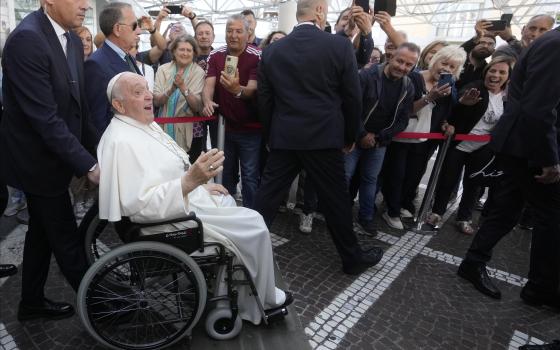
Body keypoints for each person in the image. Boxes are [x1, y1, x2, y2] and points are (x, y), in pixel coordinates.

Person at [98, 72, 292, 325]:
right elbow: (141, 206)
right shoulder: (121, 141)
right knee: (254, 223)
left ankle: (225, 289)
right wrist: (191, 182)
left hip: (181, 203)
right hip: (167, 221)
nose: (148, 96)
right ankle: (259, 301)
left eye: (147, 89)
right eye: (138, 92)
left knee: (228, 201)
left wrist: (200, 186)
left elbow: (169, 173)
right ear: (118, 105)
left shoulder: (142, 124)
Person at [253, 0, 384, 275]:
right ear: (320, 12)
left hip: (285, 137)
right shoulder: (339, 46)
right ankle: (352, 257)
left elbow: (265, 100)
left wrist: (270, 135)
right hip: (324, 138)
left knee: (266, 199)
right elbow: (352, 96)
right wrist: (351, 135)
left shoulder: (273, 50)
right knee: (336, 200)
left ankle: (243, 252)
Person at [0, 0, 99, 321]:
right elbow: (45, 119)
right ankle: (103, 306)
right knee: (66, 239)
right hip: (37, 163)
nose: (85, 4)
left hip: (57, 156)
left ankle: (31, 301)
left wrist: (102, 151)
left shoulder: (69, 38)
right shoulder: (26, 40)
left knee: (41, 234)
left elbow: (77, 108)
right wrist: (89, 166)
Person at [457, 26, 560, 310]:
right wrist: (549, 158)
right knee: (550, 216)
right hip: (528, 146)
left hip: (525, 144)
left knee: (506, 211)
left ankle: (474, 262)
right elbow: (540, 109)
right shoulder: (556, 44)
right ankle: (541, 287)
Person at [381, 45, 463, 229]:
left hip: (425, 140)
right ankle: (391, 210)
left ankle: (401, 204)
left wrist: (445, 123)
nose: (446, 69)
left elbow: (444, 113)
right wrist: (430, 96)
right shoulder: (414, 78)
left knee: (414, 175)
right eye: (444, 63)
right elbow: (405, 110)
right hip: (402, 136)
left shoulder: (449, 86)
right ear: (434, 60)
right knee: (396, 174)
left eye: (452, 67)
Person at [427, 57, 512, 234]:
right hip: (459, 145)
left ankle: (464, 217)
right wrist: (462, 104)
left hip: (484, 148)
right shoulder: (475, 87)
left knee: (474, 184)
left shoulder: (509, 97)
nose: (495, 75)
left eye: (501, 72)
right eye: (492, 71)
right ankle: (437, 212)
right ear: (486, 72)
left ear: (508, 77)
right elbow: (453, 109)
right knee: (447, 180)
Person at [344, 43, 419, 233]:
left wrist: (379, 137)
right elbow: (352, 107)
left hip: (380, 141)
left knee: (371, 179)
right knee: (344, 176)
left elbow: (403, 119)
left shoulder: (407, 85)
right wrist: (361, 134)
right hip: (354, 137)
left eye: (408, 65)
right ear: (391, 57)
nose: (402, 67)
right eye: (400, 61)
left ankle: (366, 218)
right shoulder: (367, 76)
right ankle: (338, 215)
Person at [202, 14, 262, 208]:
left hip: (251, 129)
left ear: (248, 33)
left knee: (250, 175)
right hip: (224, 128)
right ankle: (227, 212)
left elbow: (252, 89)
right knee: (224, 173)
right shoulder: (216, 55)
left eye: (238, 31)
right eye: (229, 31)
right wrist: (207, 101)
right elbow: (208, 85)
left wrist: (237, 90)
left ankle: (252, 215)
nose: (233, 35)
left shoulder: (257, 55)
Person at [84, 1, 142, 136]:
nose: (139, 31)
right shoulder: (96, 65)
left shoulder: (128, 57)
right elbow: (97, 121)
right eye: (134, 25)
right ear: (117, 29)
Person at [153, 35, 205, 163]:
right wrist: (171, 89)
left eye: (189, 50)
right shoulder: (163, 69)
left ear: (194, 53)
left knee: (189, 172)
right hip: (163, 129)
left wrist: (182, 87)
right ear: (174, 51)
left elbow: (197, 106)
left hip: (191, 132)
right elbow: (156, 101)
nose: (185, 53)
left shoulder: (198, 72)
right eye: (182, 49)